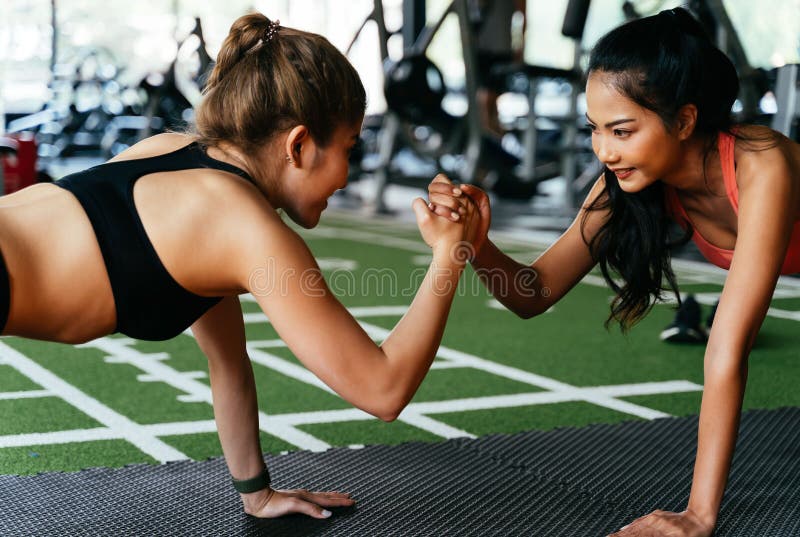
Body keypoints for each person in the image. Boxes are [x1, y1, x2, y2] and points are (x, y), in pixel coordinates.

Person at [0, 14, 478, 520]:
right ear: (298, 145)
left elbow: (228, 361)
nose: (347, 174)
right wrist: (450, 254)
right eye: (348, 149)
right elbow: (382, 390)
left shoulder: (179, 156)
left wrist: (257, 492)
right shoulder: (247, 227)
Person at [427, 8, 800, 537]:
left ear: (685, 120)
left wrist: (698, 515)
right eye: (596, 129)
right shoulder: (629, 183)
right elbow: (533, 292)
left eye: (621, 130)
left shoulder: (762, 163)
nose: (603, 150)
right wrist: (474, 241)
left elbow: (727, 348)